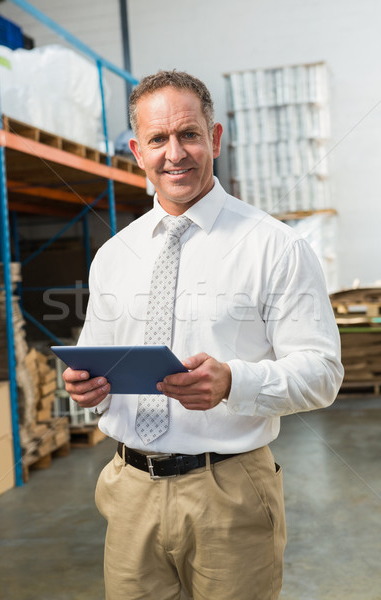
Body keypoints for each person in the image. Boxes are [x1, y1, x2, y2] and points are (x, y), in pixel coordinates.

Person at [63, 70, 344, 600]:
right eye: (157, 139)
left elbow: (324, 374)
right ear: (136, 150)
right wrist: (85, 387)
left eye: (189, 134)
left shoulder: (276, 247)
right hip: (129, 494)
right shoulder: (113, 256)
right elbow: (94, 360)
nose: (175, 153)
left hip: (230, 492)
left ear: (214, 138)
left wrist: (235, 381)